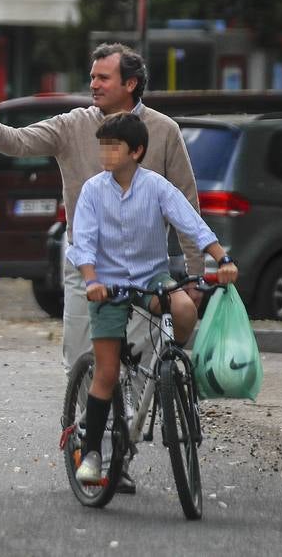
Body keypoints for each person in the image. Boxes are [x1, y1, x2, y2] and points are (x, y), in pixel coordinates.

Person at [0, 42, 201, 496]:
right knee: (87, 358)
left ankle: (126, 441)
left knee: (142, 361)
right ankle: (96, 450)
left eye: (103, 77)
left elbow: (187, 205)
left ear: (130, 84)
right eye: (92, 76)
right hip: (88, 269)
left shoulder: (163, 132)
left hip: (146, 269)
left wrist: (199, 273)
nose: (93, 84)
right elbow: (19, 140)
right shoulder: (73, 125)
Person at [69, 112, 239, 483]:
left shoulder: (157, 186)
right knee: (108, 372)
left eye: (113, 147)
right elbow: (82, 243)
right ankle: (94, 452)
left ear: (137, 151)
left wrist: (222, 259)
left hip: (152, 278)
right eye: (103, 146)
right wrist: (92, 280)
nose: (105, 153)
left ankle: (168, 369)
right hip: (108, 284)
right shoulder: (93, 191)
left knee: (183, 307)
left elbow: (190, 222)